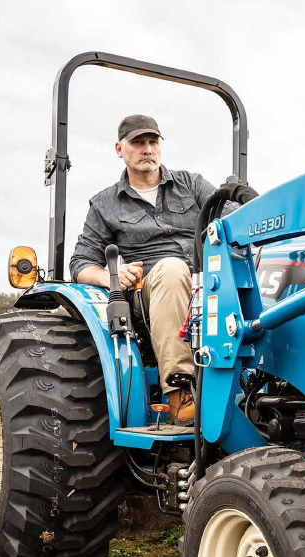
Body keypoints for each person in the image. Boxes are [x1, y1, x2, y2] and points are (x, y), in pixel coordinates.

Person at [69, 114, 234, 425]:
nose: (147, 149)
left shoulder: (192, 185)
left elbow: (234, 217)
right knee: (172, 270)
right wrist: (109, 275)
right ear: (120, 149)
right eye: (138, 142)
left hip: (209, 279)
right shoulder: (105, 205)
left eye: (152, 142)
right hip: (151, 291)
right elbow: (80, 263)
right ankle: (180, 391)